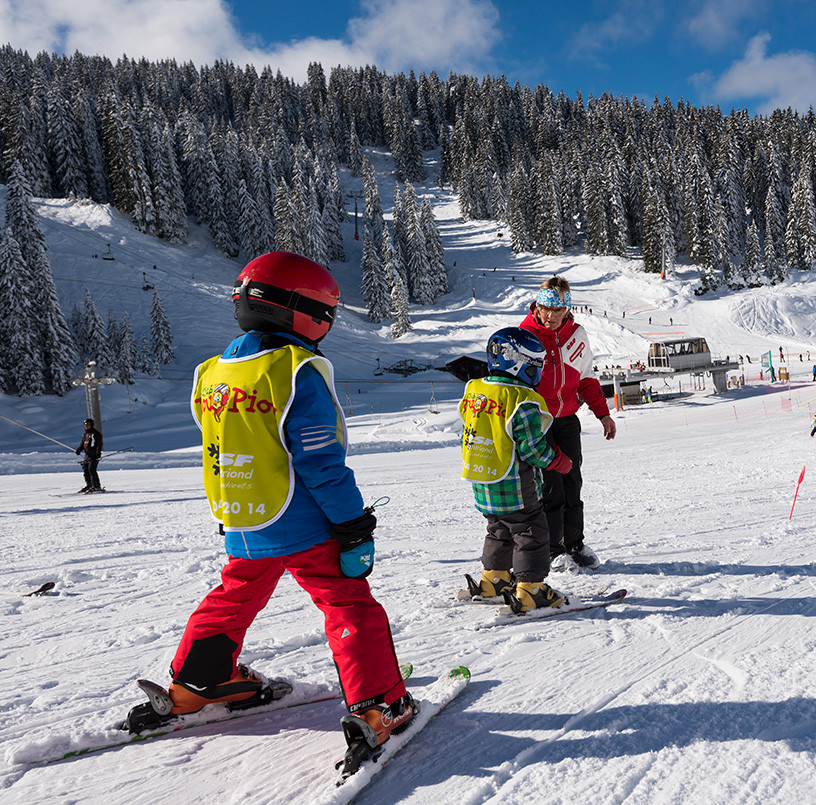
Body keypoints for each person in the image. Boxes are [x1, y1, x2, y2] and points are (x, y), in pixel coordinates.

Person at [132, 252, 413, 766]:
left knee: (235, 594)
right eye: (326, 313)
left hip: (242, 514)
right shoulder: (297, 368)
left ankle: (198, 683)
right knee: (348, 602)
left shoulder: (213, 372)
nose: (327, 324)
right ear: (303, 311)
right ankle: (378, 705)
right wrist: (352, 522)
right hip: (304, 519)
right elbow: (319, 460)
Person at [459, 328, 572, 612]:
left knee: (498, 528)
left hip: (482, 478)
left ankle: (494, 580)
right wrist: (558, 461)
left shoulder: (475, 389)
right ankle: (531, 589)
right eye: (535, 365)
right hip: (514, 482)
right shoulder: (523, 399)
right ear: (518, 362)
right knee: (530, 530)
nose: (538, 371)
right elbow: (532, 450)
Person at [520, 277, 616, 570]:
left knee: (573, 483)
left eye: (558, 309)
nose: (550, 315)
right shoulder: (525, 336)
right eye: (546, 307)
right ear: (538, 304)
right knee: (551, 488)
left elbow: (586, 378)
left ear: (567, 309)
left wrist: (603, 413)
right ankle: (553, 549)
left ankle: (575, 543)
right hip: (540, 423)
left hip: (568, 422)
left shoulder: (577, 334)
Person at [75, 418, 103, 493]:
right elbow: (82, 445)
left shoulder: (96, 434)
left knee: (92, 470)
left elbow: (99, 445)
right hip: (87, 456)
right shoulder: (85, 435)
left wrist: (97, 454)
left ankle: (96, 487)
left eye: (88, 424)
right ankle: (89, 485)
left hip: (94, 456)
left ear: (91, 425)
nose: (86, 426)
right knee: (86, 470)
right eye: (85, 425)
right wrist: (79, 450)